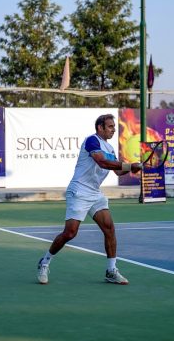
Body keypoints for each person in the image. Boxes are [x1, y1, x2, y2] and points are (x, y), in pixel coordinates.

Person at [37, 114, 142, 285]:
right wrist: (129, 166)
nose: (113, 129)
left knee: (109, 228)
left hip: (94, 193)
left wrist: (134, 168)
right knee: (70, 233)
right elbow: (102, 163)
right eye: (110, 126)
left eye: (114, 126)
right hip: (79, 190)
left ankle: (111, 270)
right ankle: (45, 262)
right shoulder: (92, 141)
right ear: (100, 127)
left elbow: (117, 170)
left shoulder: (110, 148)